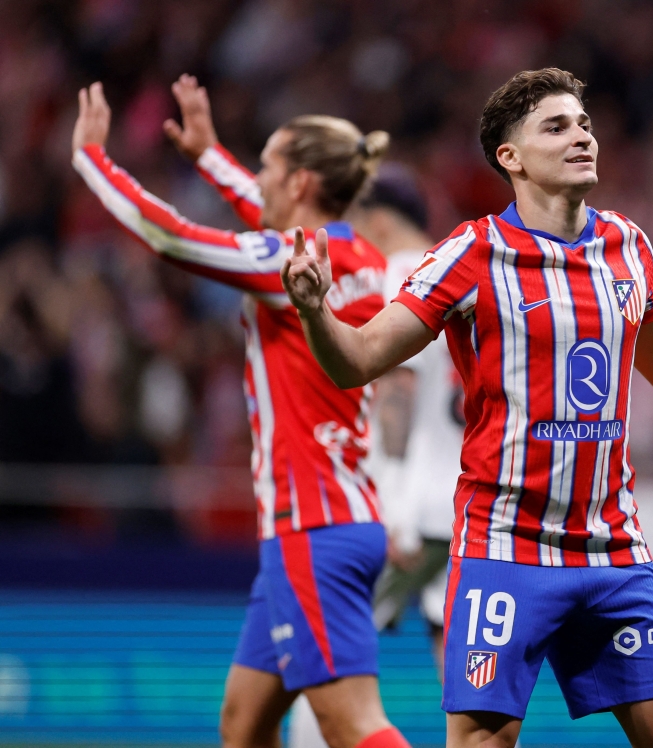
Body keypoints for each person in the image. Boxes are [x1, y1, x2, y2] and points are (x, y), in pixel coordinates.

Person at [281, 68, 653, 748]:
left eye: (584, 124)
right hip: (506, 546)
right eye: (556, 127)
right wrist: (314, 311)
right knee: (481, 740)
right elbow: (357, 360)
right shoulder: (471, 254)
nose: (582, 136)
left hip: (612, 545)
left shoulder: (627, 245)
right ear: (511, 156)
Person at [71, 77, 411, 748]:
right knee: (244, 721)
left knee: (353, 723)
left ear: (300, 181)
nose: (256, 180)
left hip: (314, 526)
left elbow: (170, 237)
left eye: (266, 166)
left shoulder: (293, 262)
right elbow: (266, 209)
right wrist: (207, 155)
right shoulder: (357, 256)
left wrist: (91, 159)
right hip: (337, 514)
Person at [289, 164, 463, 748]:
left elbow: (397, 393)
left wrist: (392, 506)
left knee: (331, 649)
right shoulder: (459, 273)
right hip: (460, 503)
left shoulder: (393, 276)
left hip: (406, 505)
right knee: (461, 663)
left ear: (379, 220)